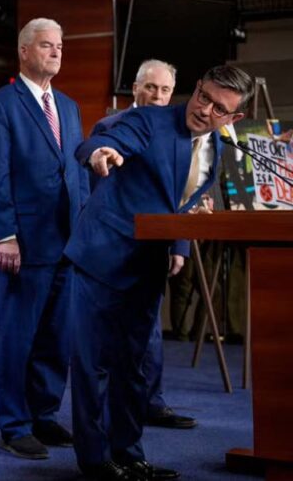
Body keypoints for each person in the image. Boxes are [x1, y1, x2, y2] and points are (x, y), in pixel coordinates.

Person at [66, 65, 254, 480]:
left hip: (147, 265)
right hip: (104, 255)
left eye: (219, 108)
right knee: (94, 364)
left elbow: (177, 199)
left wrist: (183, 234)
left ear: (234, 118)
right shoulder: (149, 119)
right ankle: (96, 462)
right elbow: (103, 140)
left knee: (134, 368)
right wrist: (101, 153)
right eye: (203, 96)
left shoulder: (217, 148)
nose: (204, 110)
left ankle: (129, 455)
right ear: (198, 85)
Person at [0, 17, 88, 460]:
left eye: (59, 45)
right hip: (21, 244)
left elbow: (74, 172)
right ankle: (14, 424)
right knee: (17, 338)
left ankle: (43, 414)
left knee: (56, 338)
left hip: (68, 243)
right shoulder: (0, 104)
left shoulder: (70, 106)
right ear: (24, 51)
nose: (56, 52)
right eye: (46, 45)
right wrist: (4, 234)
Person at [91, 59, 197, 431]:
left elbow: (182, 196)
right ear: (134, 88)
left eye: (165, 90)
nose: (157, 95)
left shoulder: (179, 134)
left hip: (154, 250)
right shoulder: (109, 128)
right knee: (107, 338)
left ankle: (152, 402)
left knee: (149, 333)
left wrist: (179, 245)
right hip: (111, 251)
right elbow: (97, 193)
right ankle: (112, 412)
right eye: (150, 87)